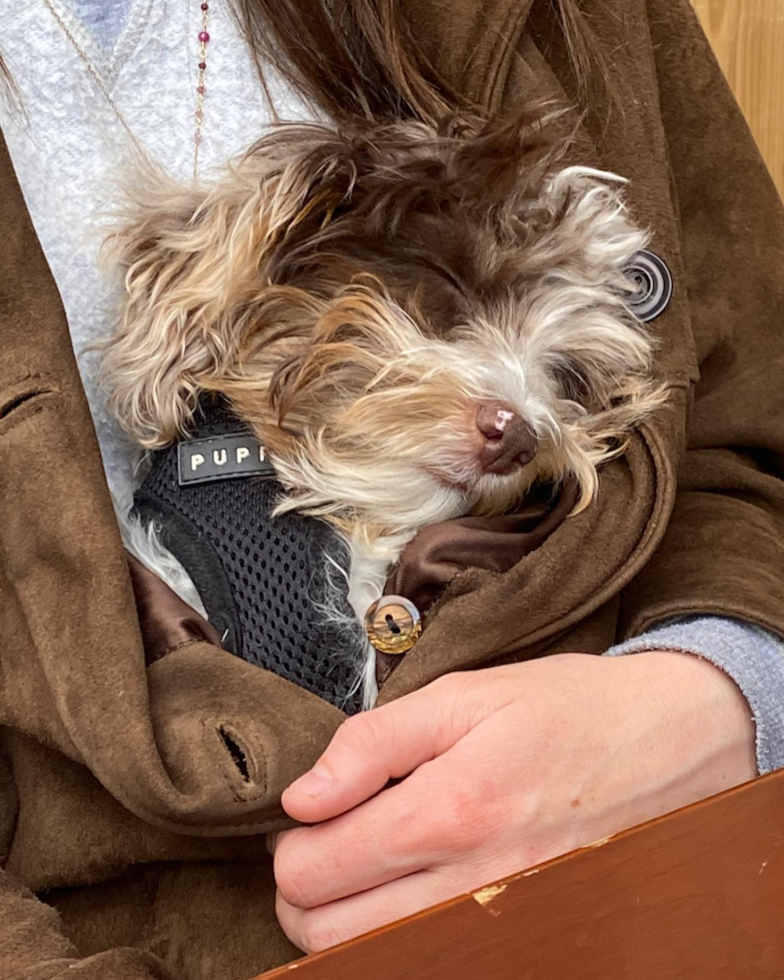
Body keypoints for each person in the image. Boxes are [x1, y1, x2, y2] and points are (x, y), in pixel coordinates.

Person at [0, 1, 782, 977]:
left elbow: (744, 447)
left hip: (615, 920)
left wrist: (727, 688)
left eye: (563, 381)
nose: (517, 420)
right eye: (444, 306)